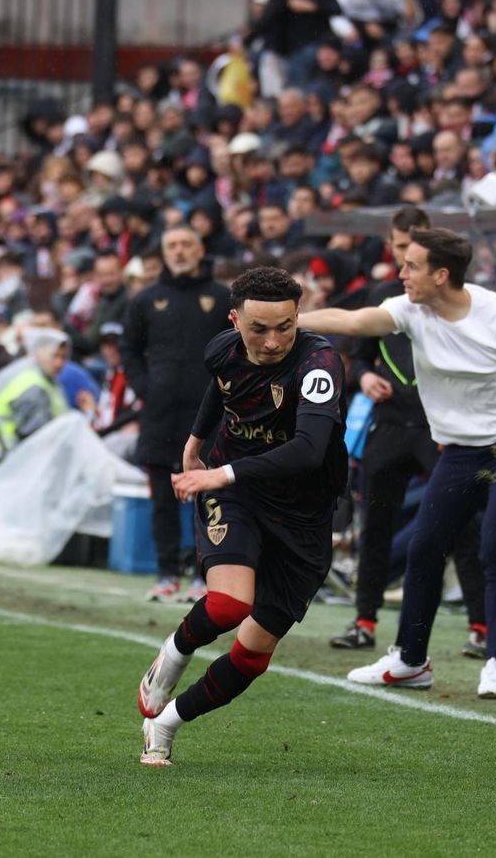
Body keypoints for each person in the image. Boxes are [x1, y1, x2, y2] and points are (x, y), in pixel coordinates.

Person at [299, 228, 496, 699]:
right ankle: (410, 660)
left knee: (495, 544)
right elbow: (355, 320)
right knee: (425, 546)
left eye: (411, 265)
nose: (400, 272)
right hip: (461, 448)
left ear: (441, 274)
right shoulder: (409, 310)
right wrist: (289, 320)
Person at [136, 266, 347, 766]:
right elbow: (221, 387)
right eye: (258, 329)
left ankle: (165, 724)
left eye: (285, 327)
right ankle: (172, 654)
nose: (273, 341)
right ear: (235, 321)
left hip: (303, 515)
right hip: (238, 495)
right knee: (230, 604)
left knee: (252, 655)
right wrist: (194, 444)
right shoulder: (221, 347)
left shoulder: (319, 364)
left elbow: (309, 450)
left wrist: (219, 472)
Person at [329, 213, 487, 658]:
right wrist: (362, 379)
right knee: (374, 524)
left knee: (462, 526)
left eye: (411, 251)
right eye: (398, 248)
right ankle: (364, 619)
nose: (403, 259)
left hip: (442, 430)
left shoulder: (462, 303)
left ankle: (481, 625)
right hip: (392, 424)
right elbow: (357, 354)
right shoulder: (383, 296)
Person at [121, 226, 232, 602]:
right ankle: (167, 572)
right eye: (172, 245)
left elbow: (236, 349)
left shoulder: (220, 297)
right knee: (163, 498)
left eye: (187, 244)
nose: (180, 251)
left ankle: (205, 575)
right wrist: (145, 388)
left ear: (200, 250)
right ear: (163, 253)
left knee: (209, 499)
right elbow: (129, 349)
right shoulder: (146, 299)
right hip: (160, 416)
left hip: (209, 417)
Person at [0, 327, 71, 455]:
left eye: (63, 357)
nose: (59, 363)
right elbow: (38, 441)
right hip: (15, 460)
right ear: (40, 352)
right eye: (55, 356)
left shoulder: (39, 375)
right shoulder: (34, 387)